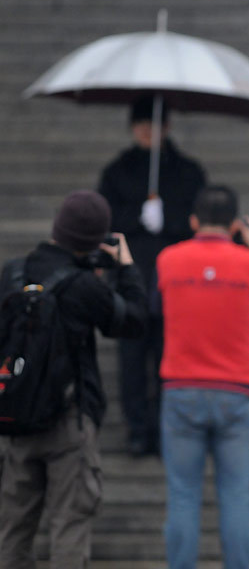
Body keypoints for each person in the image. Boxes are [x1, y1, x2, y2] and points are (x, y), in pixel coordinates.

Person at [0, 190, 147, 568]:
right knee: (70, 526)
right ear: (97, 239)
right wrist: (126, 268)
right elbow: (133, 320)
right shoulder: (84, 287)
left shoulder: (13, 273)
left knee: (12, 531)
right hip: (69, 421)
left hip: (15, 420)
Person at [155, 185, 249, 569]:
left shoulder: (168, 259)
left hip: (182, 387)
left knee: (182, 496)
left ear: (193, 220)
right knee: (235, 496)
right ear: (233, 224)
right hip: (237, 390)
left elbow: (152, 306)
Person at [98, 95, 206, 456]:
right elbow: (106, 221)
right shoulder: (117, 171)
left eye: (154, 125)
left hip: (176, 280)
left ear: (167, 127)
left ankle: (164, 429)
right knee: (131, 361)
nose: (148, 133)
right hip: (133, 279)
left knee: (169, 358)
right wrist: (137, 217)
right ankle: (138, 429)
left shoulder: (189, 171)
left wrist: (168, 220)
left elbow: (200, 223)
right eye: (141, 126)